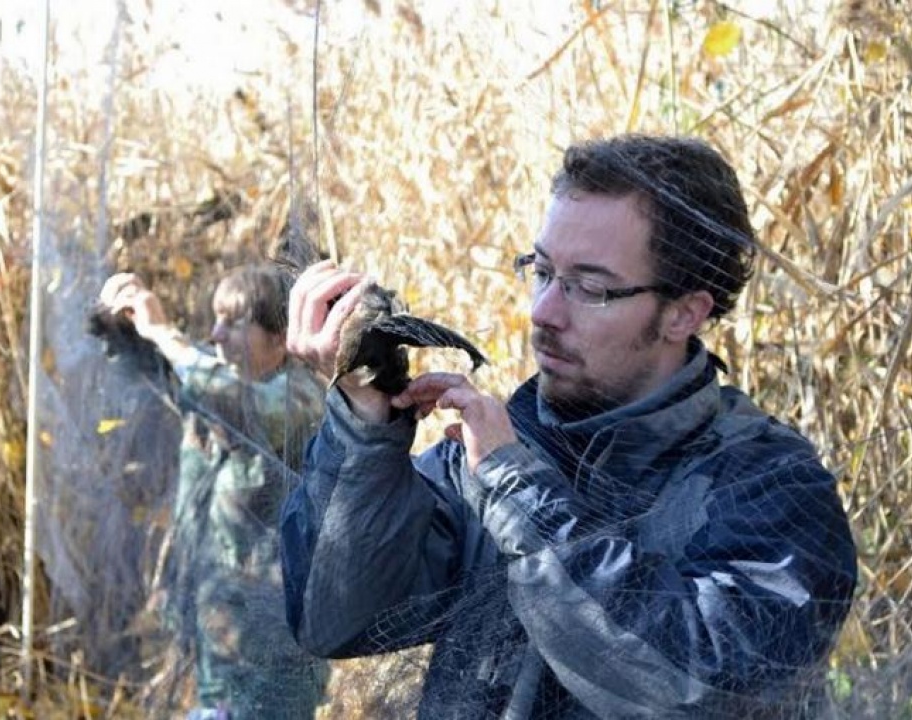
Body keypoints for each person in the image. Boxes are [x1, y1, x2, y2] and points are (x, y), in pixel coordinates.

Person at [278, 134, 858, 718]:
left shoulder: (772, 488)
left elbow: (696, 689)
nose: (544, 312)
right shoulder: (502, 446)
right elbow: (335, 620)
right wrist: (366, 422)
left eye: (589, 288)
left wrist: (519, 495)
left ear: (685, 313)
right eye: (542, 271)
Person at [98, 264, 330, 720]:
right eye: (216, 320)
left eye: (234, 323)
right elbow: (162, 371)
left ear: (280, 339)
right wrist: (123, 318)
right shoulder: (216, 382)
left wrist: (163, 331)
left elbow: (238, 402)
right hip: (219, 636)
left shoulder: (300, 400)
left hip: (274, 657)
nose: (216, 335)